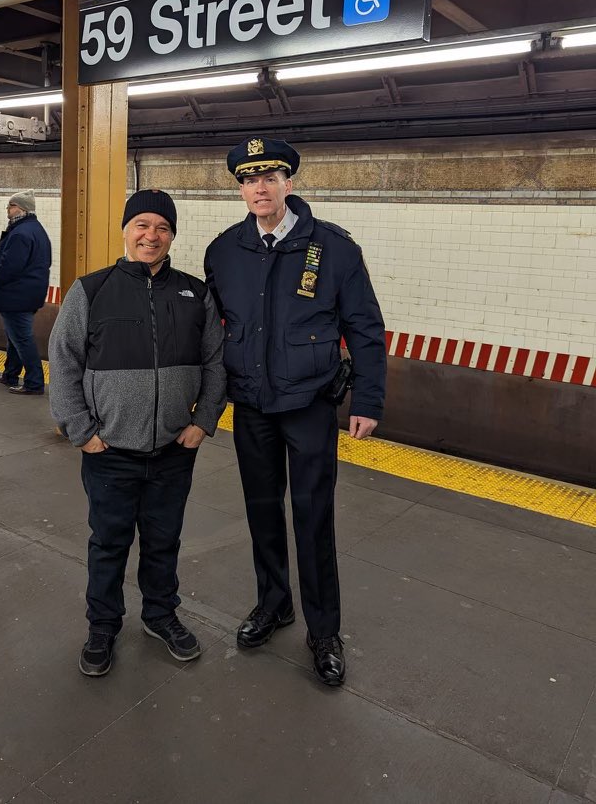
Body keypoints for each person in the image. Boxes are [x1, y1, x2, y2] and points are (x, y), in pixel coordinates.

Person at [204, 137, 386, 687]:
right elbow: (215, 331)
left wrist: (369, 400)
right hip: (252, 405)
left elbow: (365, 328)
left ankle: (324, 630)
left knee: (313, 518)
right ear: (240, 188)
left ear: (290, 184)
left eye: (270, 177)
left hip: (309, 404)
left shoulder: (332, 249)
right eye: (248, 179)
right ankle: (274, 603)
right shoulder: (224, 251)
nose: (259, 187)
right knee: (262, 512)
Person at [49, 189, 227, 678]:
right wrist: (81, 431)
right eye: (142, 225)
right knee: (108, 542)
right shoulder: (91, 289)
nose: (152, 236)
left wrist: (202, 422)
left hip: (174, 449)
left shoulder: (194, 293)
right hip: (108, 450)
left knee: (163, 539)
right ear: (126, 230)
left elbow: (215, 361)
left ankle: (159, 615)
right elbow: (63, 362)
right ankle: (103, 625)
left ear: (172, 235)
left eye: (163, 228)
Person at [0, 189, 52, 395]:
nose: (8, 209)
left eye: (11, 205)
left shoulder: (21, 233)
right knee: (14, 336)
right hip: (28, 293)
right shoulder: (35, 229)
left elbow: (9, 267)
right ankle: (10, 373)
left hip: (16, 295)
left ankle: (34, 382)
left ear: (20, 209)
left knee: (21, 338)